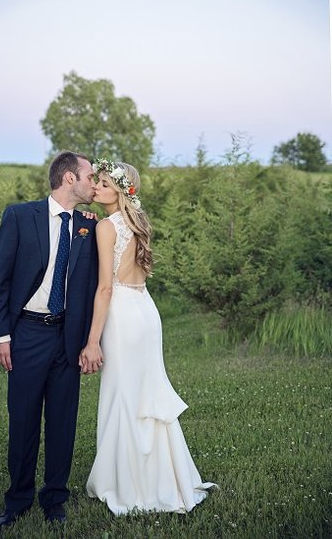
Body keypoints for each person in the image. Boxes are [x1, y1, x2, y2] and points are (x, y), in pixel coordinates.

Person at [79, 159, 217, 515]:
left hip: (123, 314)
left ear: (122, 191)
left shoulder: (107, 227)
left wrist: (92, 341)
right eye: (97, 182)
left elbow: (105, 289)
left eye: (104, 184)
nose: (96, 187)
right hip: (146, 310)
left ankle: (128, 483)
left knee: (124, 395)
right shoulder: (137, 222)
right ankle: (162, 476)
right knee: (146, 393)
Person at [0, 151, 98, 534]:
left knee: (63, 422)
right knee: (23, 420)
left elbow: (96, 286)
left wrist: (90, 341)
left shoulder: (89, 224)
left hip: (68, 336)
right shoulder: (20, 216)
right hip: (27, 335)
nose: (93, 183)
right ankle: (17, 500)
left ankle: (55, 500)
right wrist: (1, 335)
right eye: (89, 176)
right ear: (69, 178)